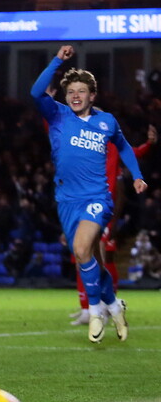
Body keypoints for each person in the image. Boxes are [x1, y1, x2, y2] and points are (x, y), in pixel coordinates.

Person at [30, 45, 147, 343]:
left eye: (81, 91)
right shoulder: (57, 115)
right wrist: (57, 61)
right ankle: (112, 303)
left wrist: (137, 176)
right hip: (67, 200)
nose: (76, 95)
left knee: (83, 250)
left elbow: (123, 147)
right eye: (71, 91)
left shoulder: (106, 121)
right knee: (89, 256)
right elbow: (35, 92)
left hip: (98, 198)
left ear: (92, 95)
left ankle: (95, 310)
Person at [69, 124, 154, 326]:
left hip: (102, 211)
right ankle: (87, 308)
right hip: (83, 209)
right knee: (82, 258)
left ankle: (104, 305)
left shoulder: (112, 147)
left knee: (103, 258)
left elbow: (134, 154)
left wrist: (149, 144)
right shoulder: (81, 148)